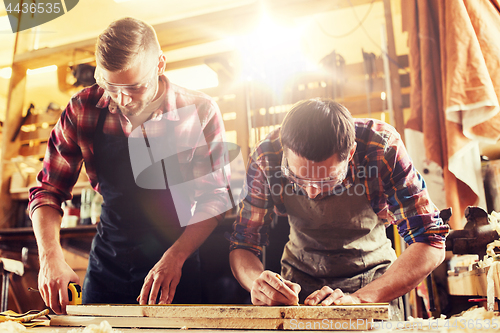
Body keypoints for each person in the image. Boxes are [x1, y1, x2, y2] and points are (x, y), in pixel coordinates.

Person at [28, 17, 231, 314]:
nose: (122, 99)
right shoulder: (82, 108)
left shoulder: (199, 112)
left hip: (176, 262)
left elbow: (216, 197)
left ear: (160, 65)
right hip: (109, 261)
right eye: (110, 85)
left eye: (135, 87)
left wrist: (176, 257)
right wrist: (50, 257)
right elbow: (48, 189)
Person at [228, 99, 449, 319]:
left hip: (374, 288)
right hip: (298, 290)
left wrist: (360, 299)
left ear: (351, 153)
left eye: (327, 180)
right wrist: (257, 283)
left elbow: (430, 240)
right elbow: (244, 243)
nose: (312, 193)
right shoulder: (267, 155)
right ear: (285, 152)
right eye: (297, 177)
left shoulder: (381, 147)